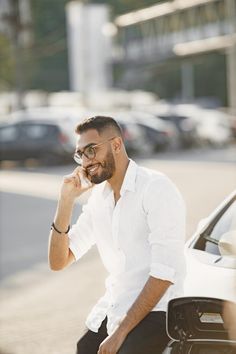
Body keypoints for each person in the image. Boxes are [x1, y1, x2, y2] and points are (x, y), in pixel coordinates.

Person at [48, 116, 186, 354]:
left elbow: (165, 273)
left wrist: (121, 332)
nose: (86, 162)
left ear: (117, 145)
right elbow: (58, 261)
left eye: (91, 150)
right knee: (85, 348)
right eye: (80, 154)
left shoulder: (155, 188)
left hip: (159, 310)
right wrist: (66, 200)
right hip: (116, 305)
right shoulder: (98, 198)